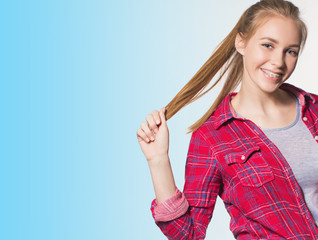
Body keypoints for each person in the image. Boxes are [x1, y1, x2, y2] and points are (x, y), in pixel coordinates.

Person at [136, 0, 318, 239]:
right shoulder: (212, 136)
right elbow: (188, 234)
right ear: (241, 42)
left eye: (290, 51)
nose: (279, 62)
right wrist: (158, 160)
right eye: (267, 45)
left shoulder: (313, 109)